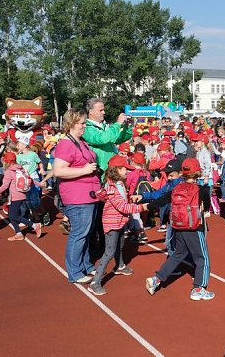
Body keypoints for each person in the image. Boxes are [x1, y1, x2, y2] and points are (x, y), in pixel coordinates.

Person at [145, 157, 214, 301]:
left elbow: (162, 200)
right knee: (202, 258)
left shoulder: (176, 188)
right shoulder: (201, 189)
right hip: (195, 227)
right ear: (197, 173)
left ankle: (156, 279)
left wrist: (146, 206)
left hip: (178, 226)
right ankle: (199, 288)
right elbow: (207, 206)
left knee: (178, 254)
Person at [53, 108, 101, 284]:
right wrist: (83, 170)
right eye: (81, 123)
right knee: (79, 233)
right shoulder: (66, 144)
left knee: (86, 233)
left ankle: (85, 265)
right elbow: (58, 170)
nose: (84, 126)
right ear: (72, 123)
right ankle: (75, 272)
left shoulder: (81, 142)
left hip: (90, 194)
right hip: (78, 196)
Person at [88, 155, 147, 296]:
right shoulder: (112, 187)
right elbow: (123, 207)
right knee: (109, 252)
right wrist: (142, 207)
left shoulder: (120, 184)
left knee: (120, 245)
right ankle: (95, 282)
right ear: (116, 170)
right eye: (124, 169)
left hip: (121, 221)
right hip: (112, 223)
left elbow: (120, 200)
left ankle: (119, 265)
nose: (127, 172)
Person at [0, 150, 43, 241]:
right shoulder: (21, 168)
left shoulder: (8, 171)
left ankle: (34, 225)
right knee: (11, 215)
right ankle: (19, 233)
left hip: (16, 196)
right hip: (23, 193)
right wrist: (40, 184)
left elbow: (5, 186)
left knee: (13, 215)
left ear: (5, 161)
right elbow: (30, 179)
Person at [82, 98, 133, 171]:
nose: (104, 112)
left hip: (112, 169)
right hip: (100, 170)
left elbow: (119, 139)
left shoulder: (104, 126)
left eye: (104, 110)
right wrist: (118, 124)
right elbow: (101, 139)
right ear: (91, 112)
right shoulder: (86, 128)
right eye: (100, 110)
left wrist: (127, 127)